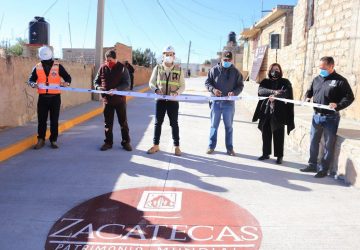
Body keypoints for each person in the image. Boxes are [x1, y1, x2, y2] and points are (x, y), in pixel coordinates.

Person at [300, 56, 354, 178]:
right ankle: (312, 164)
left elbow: (349, 97)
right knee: (314, 141)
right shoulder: (317, 79)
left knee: (328, 145)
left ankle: (323, 169)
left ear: (331, 66)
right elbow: (310, 91)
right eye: (320, 68)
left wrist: (338, 105)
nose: (321, 70)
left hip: (331, 118)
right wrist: (307, 97)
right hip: (316, 116)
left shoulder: (340, 81)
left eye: (324, 68)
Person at [28, 46, 71, 149]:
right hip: (43, 98)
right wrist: (33, 84)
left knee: (54, 120)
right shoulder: (37, 67)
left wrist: (67, 83)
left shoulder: (58, 66)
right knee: (41, 120)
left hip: (55, 98)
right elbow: (31, 80)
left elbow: (68, 77)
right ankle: (41, 140)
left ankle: (53, 140)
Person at [252, 63, 295, 164]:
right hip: (266, 111)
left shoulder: (285, 82)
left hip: (279, 112)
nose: (275, 71)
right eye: (273, 69)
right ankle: (265, 153)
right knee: (265, 132)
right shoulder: (265, 81)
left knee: (279, 134)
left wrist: (275, 96)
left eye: (277, 69)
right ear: (269, 71)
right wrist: (274, 92)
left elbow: (286, 93)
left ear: (280, 71)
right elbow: (261, 91)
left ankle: (279, 156)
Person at [147, 45, 185, 156]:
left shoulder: (179, 69)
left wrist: (177, 93)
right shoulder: (158, 68)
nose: (168, 56)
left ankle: (177, 147)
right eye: (166, 54)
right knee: (158, 123)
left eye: (170, 54)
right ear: (163, 56)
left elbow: (182, 86)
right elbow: (151, 83)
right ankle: (155, 145)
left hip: (173, 101)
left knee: (174, 124)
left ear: (174, 56)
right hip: (160, 101)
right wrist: (156, 90)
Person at [205, 50, 244, 156]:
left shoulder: (236, 72)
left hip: (229, 104)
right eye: (225, 59)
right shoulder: (214, 70)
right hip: (216, 102)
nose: (227, 61)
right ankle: (211, 146)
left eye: (229, 60)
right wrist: (213, 90)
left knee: (229, 127)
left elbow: (240, 85)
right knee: (214, 126)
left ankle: (230, 148)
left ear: (232, 60)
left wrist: (234, 92)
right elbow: (207, 82)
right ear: (221, 59)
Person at [93, 50, 132, 151]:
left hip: (120, 101)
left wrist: (117, 90)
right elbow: (96, 81)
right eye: (107, 60)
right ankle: (108, 142)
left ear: (115, 59)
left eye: (110, 60)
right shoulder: (102, 68)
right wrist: (98, 88)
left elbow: (127, 83)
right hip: (107, 101)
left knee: (123, 122)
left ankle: (126, 142)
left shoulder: (122, 68)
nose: (108, 62)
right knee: (107, 123)